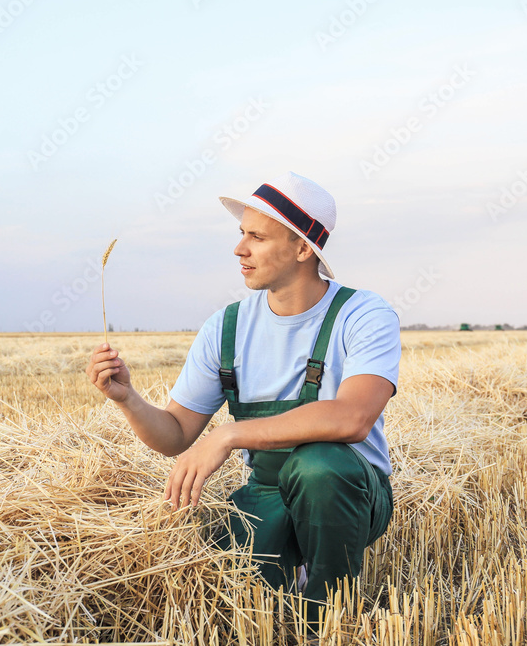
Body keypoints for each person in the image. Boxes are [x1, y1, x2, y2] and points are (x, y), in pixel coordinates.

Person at [86, 172, 400, 621]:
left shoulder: (364, 314)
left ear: (302, 248)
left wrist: (229, 434)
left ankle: (330, 614)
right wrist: (126, 397)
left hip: (348, 491)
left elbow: (353, 417)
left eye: (257, 236)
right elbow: (175, 435)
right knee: (233, 601)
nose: (240, 249)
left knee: (319, 467)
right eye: (241, 234)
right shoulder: (226, 327)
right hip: (266, 491)